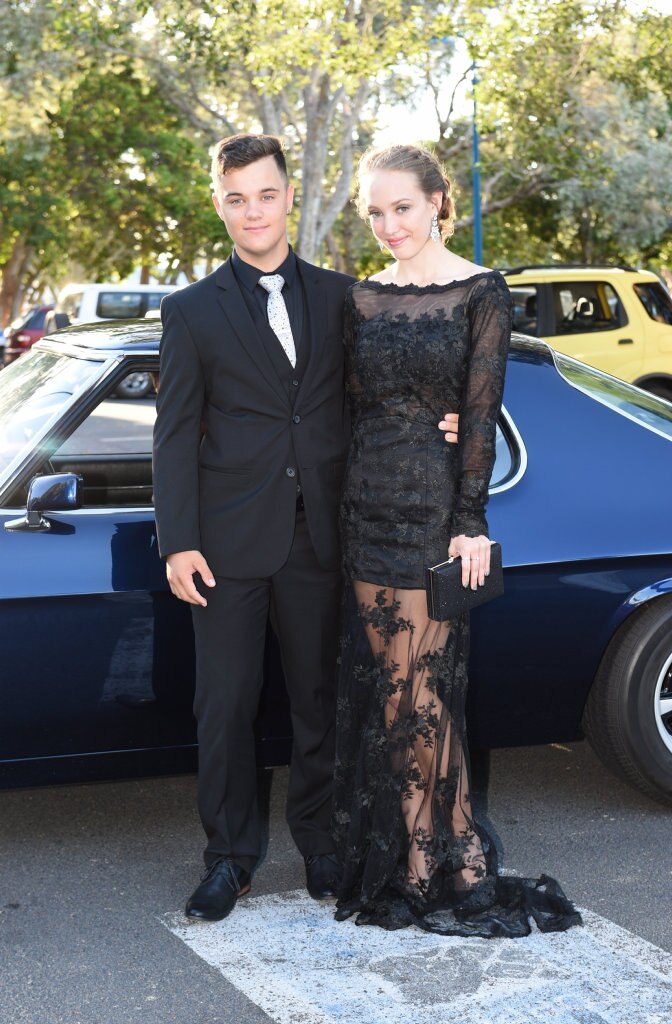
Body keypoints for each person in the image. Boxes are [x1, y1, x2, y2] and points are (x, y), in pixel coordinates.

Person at [152, 134, 459, 923]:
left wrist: (447, 422)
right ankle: (228, 858)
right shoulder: (189, 311)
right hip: (222, 547)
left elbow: (385, 396)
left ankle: (320, 843)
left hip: (323, 539)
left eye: (264, 193)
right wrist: (177, 539)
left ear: (290, 196)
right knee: (223, 704)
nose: (251, 210)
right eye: (235, 197)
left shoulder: (340, 297)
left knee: (317, 701)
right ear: (218, 204)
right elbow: (174, 433)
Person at [333, 144, 581, 937]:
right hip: (364, 510)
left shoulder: (481, 291)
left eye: (401, 206)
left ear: (439, 201)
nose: (387, 224)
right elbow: (344, 410)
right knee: (388, 697)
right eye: (373, 211)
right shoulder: (360, 299)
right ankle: (417, 850)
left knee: (424, 697)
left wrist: (469, 519)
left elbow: (478, 416)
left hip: (433, 517)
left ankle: (442, 858)